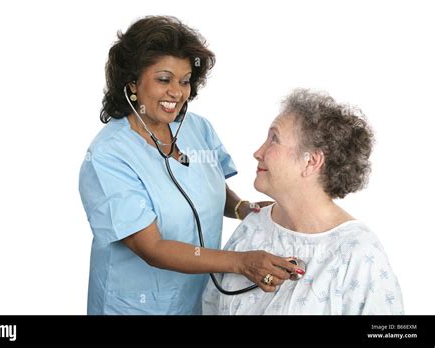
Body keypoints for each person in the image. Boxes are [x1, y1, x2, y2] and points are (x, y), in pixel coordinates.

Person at [78, 16, 299, 315]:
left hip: (195, 299)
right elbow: (152, 248)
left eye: (184, 81)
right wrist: (242, 262)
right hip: (135, 307)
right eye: (164, 79)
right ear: (132, 83)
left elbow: (204, 183)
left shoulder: (196, 128)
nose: (177, 93)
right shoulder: (108, 156)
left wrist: (241, 208)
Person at [202, 89, 404, 315]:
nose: (257, 152)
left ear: (312, 162)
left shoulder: (358, 254)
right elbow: (211, 304)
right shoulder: (254, 226)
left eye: (274, 139)